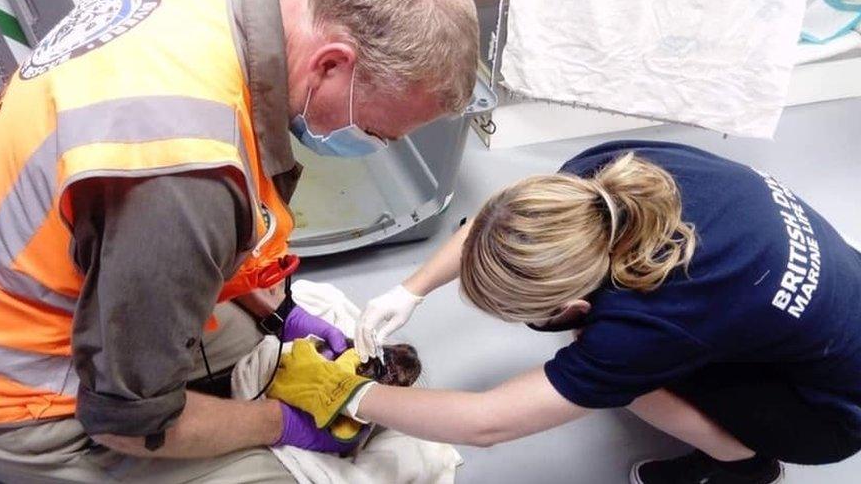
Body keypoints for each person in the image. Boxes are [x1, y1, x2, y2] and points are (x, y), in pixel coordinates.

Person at [0, 0, 478, 483]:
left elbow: (171, 243)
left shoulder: (192, 6)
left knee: (255, 341)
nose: (374, 145)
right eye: (375, 129)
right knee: (287, 472)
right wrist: (278, 425)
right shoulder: (181, 180)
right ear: (332, 64)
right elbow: (129, 420)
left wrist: (280, 316)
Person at [270, 140, 861, 484]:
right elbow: (501, 219)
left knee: (627, 385)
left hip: (831, 411)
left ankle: (745, 467)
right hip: (832, 306)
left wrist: (344, 394)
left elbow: (489, 423)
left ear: (575, 303)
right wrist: (412, 289)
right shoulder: (601, 181)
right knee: (636, 355)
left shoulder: (646, 324)